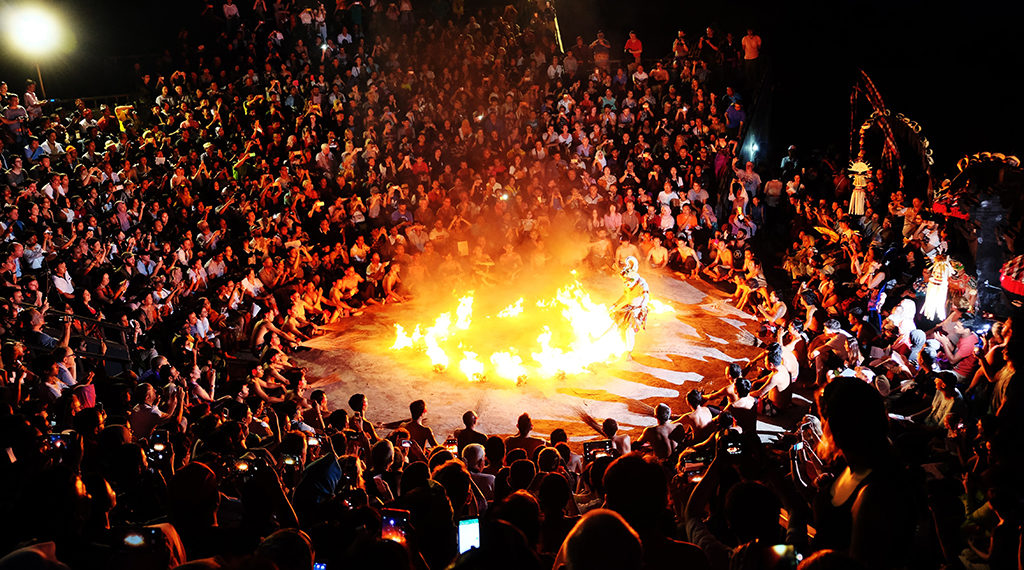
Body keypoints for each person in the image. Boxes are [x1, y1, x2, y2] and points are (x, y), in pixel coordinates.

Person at [609, 256, 650, 359]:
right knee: (615, 324)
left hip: (638, 310)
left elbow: (646, 297)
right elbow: (625, 296)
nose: (625, 284)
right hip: (629, 307)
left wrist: (640, 307)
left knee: (629, 330)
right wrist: (615, 304)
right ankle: (612, 347)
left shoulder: (642, 284)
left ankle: (629, 353)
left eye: (627, 281)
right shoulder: (628, 283)